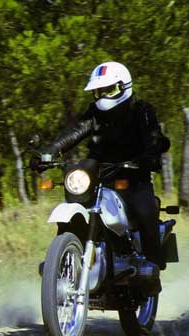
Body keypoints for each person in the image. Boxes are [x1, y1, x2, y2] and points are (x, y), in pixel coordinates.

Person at [32, 61, 170, 295]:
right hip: (99, 168)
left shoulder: (141, 110)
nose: (102, 96)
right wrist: (48, 152)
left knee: (143, 207)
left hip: (133, 171)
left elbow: (154, 137)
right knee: (75, 187)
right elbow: (74, 132)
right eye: (98, 91)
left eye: (108, 90)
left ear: (122, 87)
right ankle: (65, 255)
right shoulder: (94, 113)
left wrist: (151, 154)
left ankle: (151, 266)